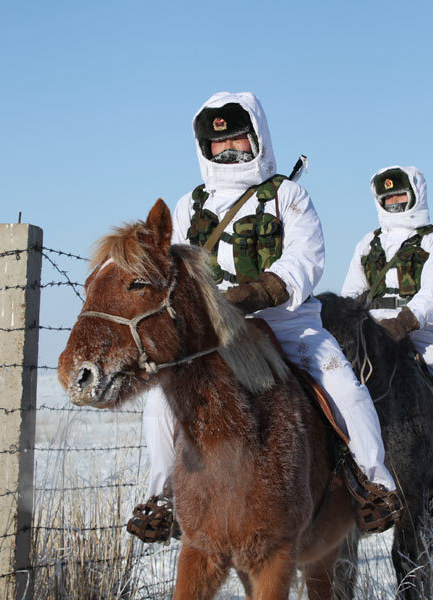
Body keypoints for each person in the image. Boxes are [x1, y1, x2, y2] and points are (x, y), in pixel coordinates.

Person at [130, 92, 401, 542]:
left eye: (237, 137)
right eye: (218, 142)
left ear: (256, 137)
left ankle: (373, 483)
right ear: (204, 147)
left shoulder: (288, 196)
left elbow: (305, 258)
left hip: (287, 322)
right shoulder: (188, 205)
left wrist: (256, 293)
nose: (227, 148)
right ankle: (163, 496)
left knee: (344, 387)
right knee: (160, 402)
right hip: (213, 332)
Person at [341, 165, 433, 502]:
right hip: (371, 331)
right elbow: (351, 292)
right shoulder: (367, 243)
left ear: (415, 195)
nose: (394, 203)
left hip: (426, 334)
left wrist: (403, 323)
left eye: (400, 196)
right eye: (387, 198)